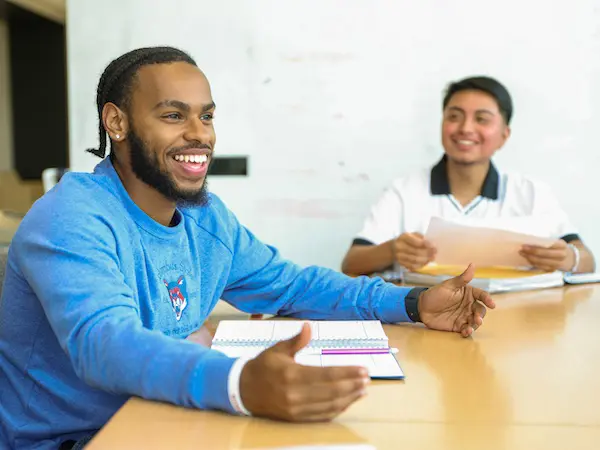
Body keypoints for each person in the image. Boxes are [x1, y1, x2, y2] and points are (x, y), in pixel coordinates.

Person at [0, 47, 494, 450]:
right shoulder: (72, 217)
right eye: (173, 115)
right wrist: (240, 383)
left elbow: (292, 285)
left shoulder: (204, 217)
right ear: (117, 123)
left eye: (207, 117)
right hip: (82, 440)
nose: (199, 135)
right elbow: (102, 344)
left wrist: (411, 303)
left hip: (171, 417)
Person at [342, 76, 595, 276]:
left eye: (482, 119)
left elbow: (587, 260)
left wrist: (569, 258)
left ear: (504, 135)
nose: (465, 128)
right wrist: (394, 250)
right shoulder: (404, 192)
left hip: (518, 320)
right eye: (454, 116)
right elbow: (351, 263)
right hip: (422, 320)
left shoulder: (531, 193)